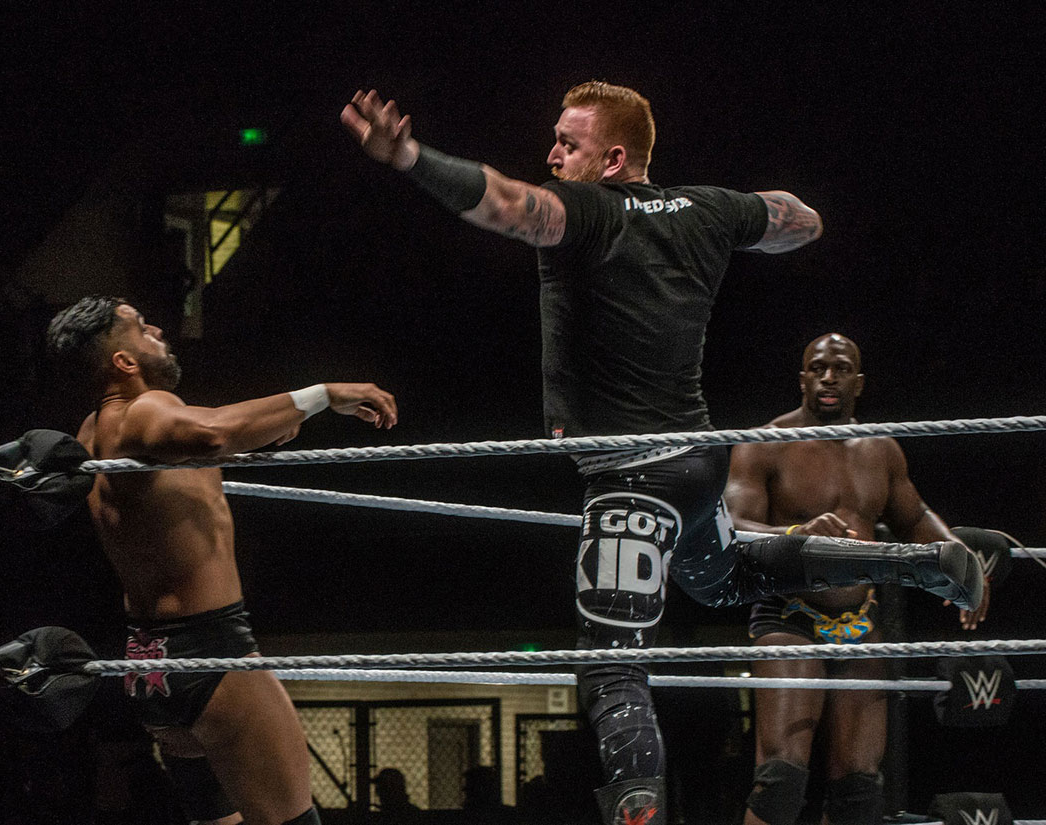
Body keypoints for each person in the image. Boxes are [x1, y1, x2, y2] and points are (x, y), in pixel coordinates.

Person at [341, 84, 984, 825]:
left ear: (614, 158)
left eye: (568, 143)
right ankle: (918, 564)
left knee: (611, 656)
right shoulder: (706, 208)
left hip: (631, 480)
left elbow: (510, 205)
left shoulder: (587, 211)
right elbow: (800, 220)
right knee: (726, 577)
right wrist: (754, 223)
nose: (552, 154)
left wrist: (411, 157)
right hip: (695, 464)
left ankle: (636, 804)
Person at [45, 296, 398, 825]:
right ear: (123, 361)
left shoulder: (93, 433)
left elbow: (196, 451)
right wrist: (325, 394)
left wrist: (259, 434)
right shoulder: (145, 411)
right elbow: (211, 432)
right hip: (211, 654)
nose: (158, 329)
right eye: (141, 326)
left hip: (150, 663)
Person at [724, 333, 988, 825]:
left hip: (860, 622)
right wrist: (794, 533)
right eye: (818, 367)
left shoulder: (881, 450)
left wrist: (964, 564)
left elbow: (915, 517)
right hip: (789, 615)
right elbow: (735, 526)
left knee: (859, 789)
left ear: (858, 382)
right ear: (802, 377)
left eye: (841, 368)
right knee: (780, 779)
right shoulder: (764, 445)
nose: (829, 377)